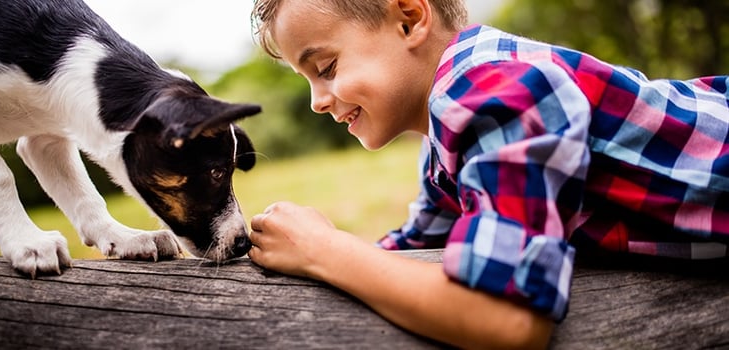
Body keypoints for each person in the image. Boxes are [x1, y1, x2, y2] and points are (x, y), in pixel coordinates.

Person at [247, 0, 729, 348]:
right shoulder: (447, 136)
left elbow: (507, 320)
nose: (316, 100)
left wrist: (322, 250)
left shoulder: (492, 90)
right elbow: (410, 250)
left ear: (409, 18)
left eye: (326, 67)